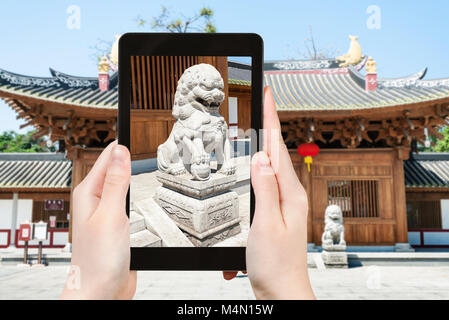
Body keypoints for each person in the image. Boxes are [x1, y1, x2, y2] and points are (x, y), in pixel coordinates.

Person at [60, 87, 315, 300]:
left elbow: (222, 140)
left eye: (217, 92)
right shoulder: (185, 122)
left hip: (202, 175)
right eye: (206, 92)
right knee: (180, 157)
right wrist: (287, 287)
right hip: (176, 161)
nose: (214, 97)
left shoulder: (216, 118)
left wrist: (87, 290)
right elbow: (186, 141)